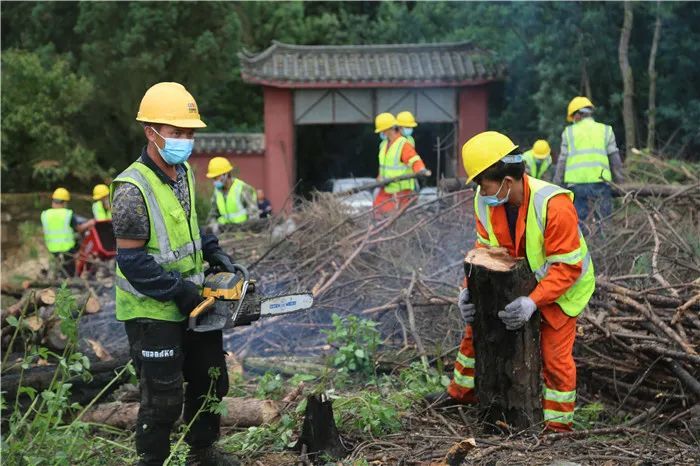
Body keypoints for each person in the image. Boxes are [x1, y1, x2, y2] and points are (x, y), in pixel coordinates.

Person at [426, 131, 595, 432]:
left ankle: (558, 428)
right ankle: (461, 394)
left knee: (554, 358)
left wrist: (532, 301)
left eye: (482, 182)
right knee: (475, 330)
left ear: (506, 179)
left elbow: (567, 269)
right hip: (512, 283)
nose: (479, 190)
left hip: (562, 290)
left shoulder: (553, 205)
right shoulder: (486, 201)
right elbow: (483, 252)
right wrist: (468, 292)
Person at [110, 82, 239, 466]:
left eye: (189, 133)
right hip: (152, 310)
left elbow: (185, 226)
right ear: (152, 132)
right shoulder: (131, 189)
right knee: (163, 397)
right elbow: (131, 261)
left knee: (212, 378)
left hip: (192, 299)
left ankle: (202, 451)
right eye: (176, 132)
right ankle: (151, 461)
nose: (185, 140)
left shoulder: (181, 173)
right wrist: (180, 293)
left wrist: (212, 250)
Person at [553, 96, 625, 227]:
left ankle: (584, 247)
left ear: (578, 115)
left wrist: (557, 183)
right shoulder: (606, 130)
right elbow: (615, 158)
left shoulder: (568, 133)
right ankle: (605, 246)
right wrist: (621, 181)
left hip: (576, 184)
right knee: (604, 222)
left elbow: (562, 160)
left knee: (579, 224)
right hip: (600, 183)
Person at [372, 112, 431, 214]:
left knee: (396, 219)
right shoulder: (384, 145)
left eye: (382, 131)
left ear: (388, 130)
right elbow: (383, 167)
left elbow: (414, 160)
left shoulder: (403, 144)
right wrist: (379, 178)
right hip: (387, 188)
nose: (382, 133)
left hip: (402, 191)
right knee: (377, 212)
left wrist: (421, 170)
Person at [40, 187, 95, 277]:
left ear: (53, 201)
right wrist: (90, 223)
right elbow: (79, 229)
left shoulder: (45, 214)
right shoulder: (68, 214)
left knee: (60, 271)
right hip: (68, 250)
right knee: (70, 273)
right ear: (65, 202)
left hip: (52, 249)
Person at [205, 157, 259, 227]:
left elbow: (254, 214)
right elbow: (213, 214)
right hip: (224, 233)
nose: (214, 181)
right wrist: (213, 225)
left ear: (225, 175)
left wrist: (248, 229)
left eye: (216, 178)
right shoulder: (217, 192)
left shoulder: (243, 189)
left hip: (243, 232)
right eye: (213, 179)